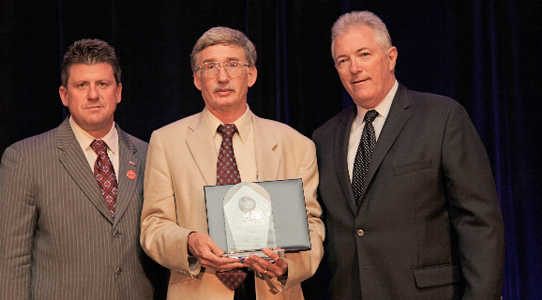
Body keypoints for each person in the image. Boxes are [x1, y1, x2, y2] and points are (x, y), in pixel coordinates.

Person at [312, 11, 505, 299]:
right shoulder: (324, 138)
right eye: (343, 60)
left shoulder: (442, 118)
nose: (354, 68)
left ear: (390, 57)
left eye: (364, 54)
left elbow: (480, 223)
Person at [140, 27, 325, 299]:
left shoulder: (295, 145)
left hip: (272, 289)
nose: (222, 77)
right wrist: (189, 243)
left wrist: (288, 267)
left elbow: (311, 225)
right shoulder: (167, 142)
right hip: (200, 288)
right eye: (210, 67)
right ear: (196, 79)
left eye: (233, 65)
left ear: (251, 75)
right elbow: (153, 225)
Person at [0, 39, 154, 299]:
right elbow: (6, 261)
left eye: (102, 84)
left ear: (118, 92)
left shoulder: (148, 154)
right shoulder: (25, 159)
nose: (93, 94)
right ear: (65, 95)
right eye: (81, 85)